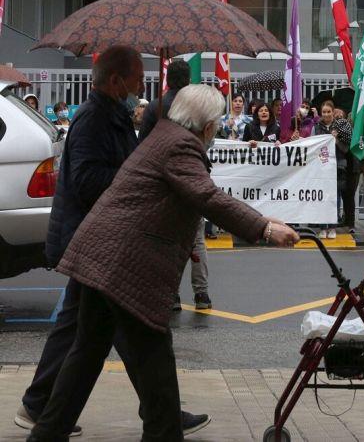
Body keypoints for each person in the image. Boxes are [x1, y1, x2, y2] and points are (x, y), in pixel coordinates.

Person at [26, 84, 299, 442]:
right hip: (126, 266)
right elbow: (206, 196)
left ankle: (46, 434)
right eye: (215, 123)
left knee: (86, 354)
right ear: (207, 127)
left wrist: (263, 220)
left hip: (99, 255)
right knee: (155, 366)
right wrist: (262, 228)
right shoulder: (181, 145)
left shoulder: (164, 134)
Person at [16, 45, 209, 440]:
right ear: (116, 80)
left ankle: (42, 408)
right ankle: (160, 415)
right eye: (137, 76)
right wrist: (135, 179)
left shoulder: (115, 116)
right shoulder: (92, 120)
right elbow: (87, 180)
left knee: (84, 333)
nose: (142, 83)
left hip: (99, 240)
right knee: (122, 334)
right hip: (93, 240)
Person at [137, 71, 212, 312]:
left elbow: (143, 144)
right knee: (197, 238)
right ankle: (202, 294)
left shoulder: (156, 107)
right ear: (188, 80)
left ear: (168, 79)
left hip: (163, 179)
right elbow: (207, 140)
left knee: (167, 238)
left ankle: (172, 295)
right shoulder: (197, 107)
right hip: (194, 173)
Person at [314, 102, 352, 239]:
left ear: (332, 112)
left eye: (328, 112)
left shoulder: (340, 126)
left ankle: (332, 227)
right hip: (322, 167)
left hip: (338, 166)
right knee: (322, 198)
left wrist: (336, 140)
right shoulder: (317, 127)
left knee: (335, 198)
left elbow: (346, 149)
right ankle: (323, 227)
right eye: (323, 112)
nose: (326, 114)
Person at [139, 60, 190, 142]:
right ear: (188, 80)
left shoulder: (153, 106)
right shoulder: (194, 108)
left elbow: (143, 139)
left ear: (167, 78)